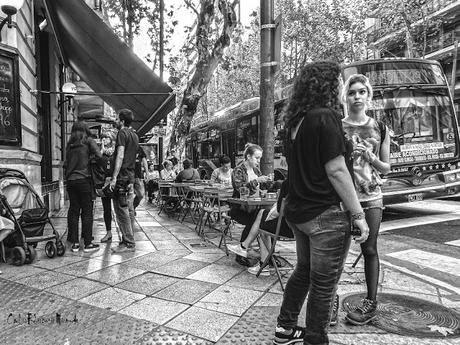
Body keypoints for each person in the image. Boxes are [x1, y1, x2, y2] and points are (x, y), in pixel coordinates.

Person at [273, 61, 369, 345]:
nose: (342, 87)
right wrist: (358, 214)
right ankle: (316, 340)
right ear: (330, 85)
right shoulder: (325, 117)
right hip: (325, 216)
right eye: (340, 82)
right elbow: (336, 170)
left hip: (299, 212)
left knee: (303, 270)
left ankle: (285, 328)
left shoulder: (296, 122)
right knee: (324, 284)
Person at [341, 74, 391, 326]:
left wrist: (371, 157)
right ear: (346, 97)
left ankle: (370, 303)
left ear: (368, 96)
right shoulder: (338, 127)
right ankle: (328, 303)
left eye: (362, 92)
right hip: (342, 200)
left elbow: (386, 168)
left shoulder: (380, 128)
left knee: (369, 249)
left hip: (371, 197)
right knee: (335, 253)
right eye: (352, 92)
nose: (357, 97)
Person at [227, 179, 292, 276]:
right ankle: (245, 247)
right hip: (304, 228)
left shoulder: (289, 184)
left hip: (289, 227)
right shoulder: (311, 184)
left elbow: (277, 211)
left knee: (262, 224)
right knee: (261, 214)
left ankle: (262, 262)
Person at [230, 143, 270, 267]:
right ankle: (241, 254)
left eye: (260, 158)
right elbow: (239, 188)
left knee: (265, 219)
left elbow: (262, 188)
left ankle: (266, 255)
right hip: (239, 208)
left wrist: (267, 184)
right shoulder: (238, 170)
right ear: (248, 156)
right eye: (257, 158)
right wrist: (256, 181)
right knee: (256, 220)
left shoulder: (257, 170)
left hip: (256, 206)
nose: (259, 161)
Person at [64, 121, 101, 253]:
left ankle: (73, 243)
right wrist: (90, 159)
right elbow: (99, 156)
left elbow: (66, 164)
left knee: (73, 210)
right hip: (84, 180)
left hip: (71, 181)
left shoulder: (69, 145)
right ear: (85, 129)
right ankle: (87, 244)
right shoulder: (88, 141)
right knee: (87, 211)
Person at [109, 109, 139, 253]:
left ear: (122, 121)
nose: (115, 121)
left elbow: (120, 155)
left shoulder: (122, 133)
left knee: (121, 210)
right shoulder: (134, 135)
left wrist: (114, 177)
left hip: (122, 177)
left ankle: (128, 243)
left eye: (116, 119)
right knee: (130, 209)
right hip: (130, 177)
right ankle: (129, 239)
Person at [99, 130, 117, 243]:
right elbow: (97, 163)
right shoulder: (101, 153)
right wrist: (101, 149)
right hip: (104, 184)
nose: (104, 140)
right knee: (106, 209)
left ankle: (125, 234)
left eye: (106, 138)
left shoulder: (116, 153)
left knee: (119, 208)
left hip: (115, 183)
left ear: (111, 139)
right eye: (103, 138)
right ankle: (108, 232)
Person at [133, 146, 149, 211]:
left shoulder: (139, 148)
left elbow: (144, 161)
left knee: (141, 194)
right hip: (127, 175)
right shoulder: (125, 146)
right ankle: (130, 210)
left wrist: (147, 173)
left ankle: (133, 206)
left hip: (138, 175)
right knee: (128, 195)